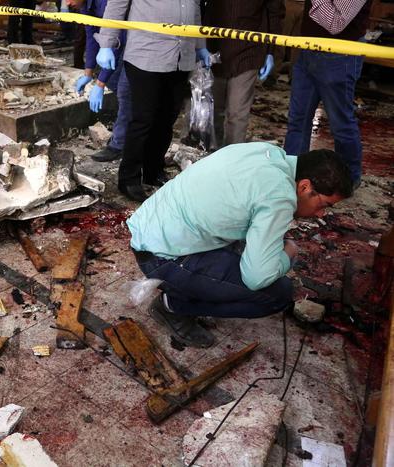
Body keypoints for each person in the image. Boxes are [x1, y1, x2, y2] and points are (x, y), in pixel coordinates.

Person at [128, 142, 352, 348]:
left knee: (262, 247)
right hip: (163, 257)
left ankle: (194, 289)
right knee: (278, 293)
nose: (321, 214)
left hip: (150, 230)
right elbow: (256, 278)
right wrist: (288, 255)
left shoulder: (268, 153)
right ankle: (173, 306)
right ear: (304, 187)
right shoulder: (280, 197)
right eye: (324, 205)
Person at [94, 0, 209, 202]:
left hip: (182, 57)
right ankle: (129, 178)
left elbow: (195, 11)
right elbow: (116, 5)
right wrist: (107, 43)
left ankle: (153, 170)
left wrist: (200, 45)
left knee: (167, 119)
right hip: (146, 55)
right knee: (142, 120)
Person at [284, 0, 373, 188]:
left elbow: (335, 23)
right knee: (297, 119)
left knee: (340, 123)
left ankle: (348, 180)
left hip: (340, 54)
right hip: (309, 48)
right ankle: (292, 174)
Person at [204, 0, 284, 147]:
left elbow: (275, 13)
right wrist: (199, 45)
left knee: (237, 114)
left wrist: (270, 51)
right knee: (213, 111)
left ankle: (233, 162)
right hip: (214, 49)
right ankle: (212, 159)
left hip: (249, 52)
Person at [72, 0, 131, 162]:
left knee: (126, 93)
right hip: (115, 45)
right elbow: (91, 37)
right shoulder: (85, 6)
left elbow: (117, 41)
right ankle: (128, 123)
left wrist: (100, 82)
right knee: (118, 88)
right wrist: (88, 72)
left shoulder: (105, 2)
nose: (68, 3)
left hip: (130, 45)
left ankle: (118, 145)